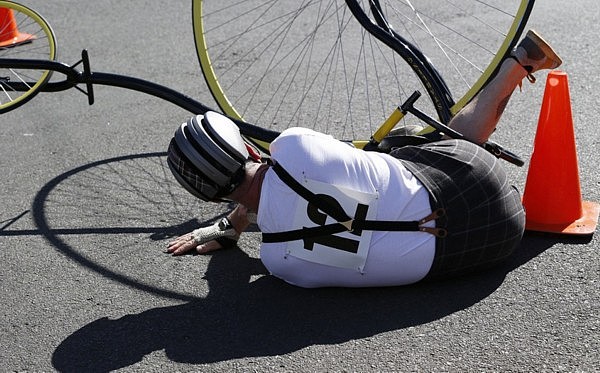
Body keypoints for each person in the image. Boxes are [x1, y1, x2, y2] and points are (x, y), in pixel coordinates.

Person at [165, 30, 562, 288]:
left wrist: (232, 224)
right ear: (250, 148)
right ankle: (519, 62)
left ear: (213, 198)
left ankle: (519, 65)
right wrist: (237, 218)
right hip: (477, 175)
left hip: (494, 243)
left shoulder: (278, 262)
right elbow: (326, 174)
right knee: (400, 146)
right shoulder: (293, 146)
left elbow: (265, 196)